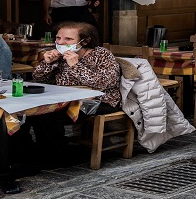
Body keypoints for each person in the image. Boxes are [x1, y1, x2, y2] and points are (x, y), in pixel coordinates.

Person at [10, 21, 120, 167]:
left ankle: (56, 156)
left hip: (99, 100)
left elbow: (102, 83)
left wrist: (76, 66)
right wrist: (48, 63)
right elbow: (39, 79)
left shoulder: (102, 55)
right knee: (22, 112)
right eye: (58, 38)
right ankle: (26, 151)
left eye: (68, 39)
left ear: (85, 41)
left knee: (47, 115)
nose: (61, 43)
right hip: (64, 98)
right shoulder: (59, 56)